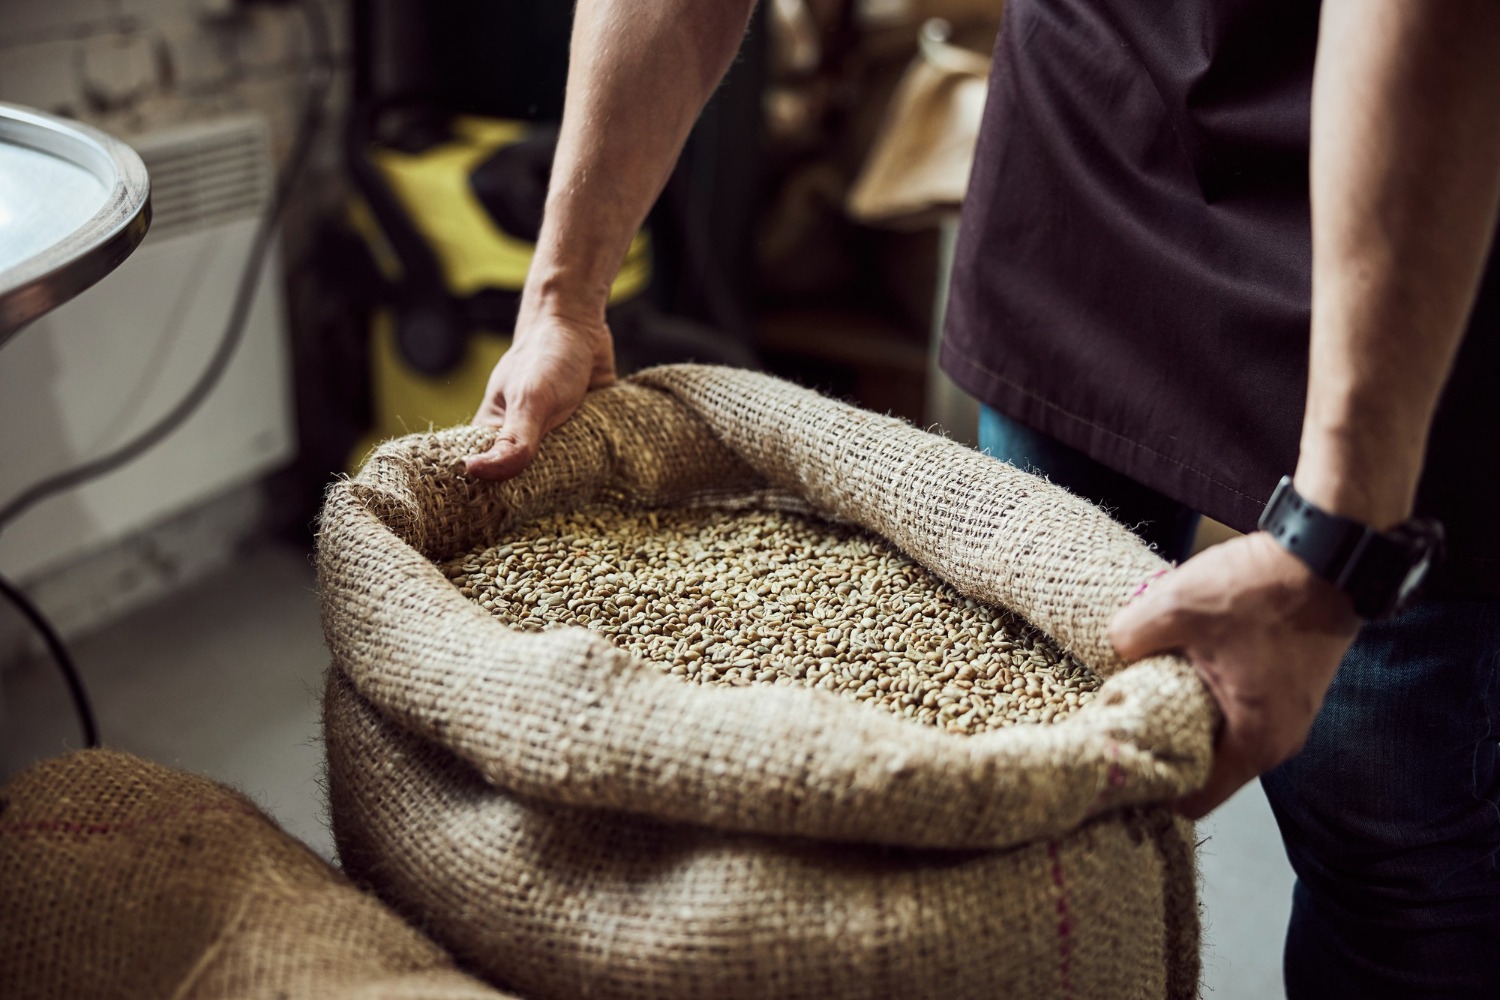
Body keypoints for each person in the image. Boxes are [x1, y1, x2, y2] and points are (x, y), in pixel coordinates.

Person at [462, 1, 1500, 994]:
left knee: (1386, 849)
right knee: (1023, 767)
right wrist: (563, 295)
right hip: (1093, 158)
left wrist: (1335, 540)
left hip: (1407, 211)